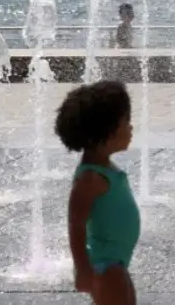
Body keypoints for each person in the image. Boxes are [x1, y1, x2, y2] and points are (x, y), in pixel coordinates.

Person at [55, 81, 140, 305]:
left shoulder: (105, 169)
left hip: (116, 262)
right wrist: (82, 268)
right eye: (126, 122)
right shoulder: (89, 178)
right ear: (105, 131)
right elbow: (76, 225)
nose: (131, 128)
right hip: (105, 265)